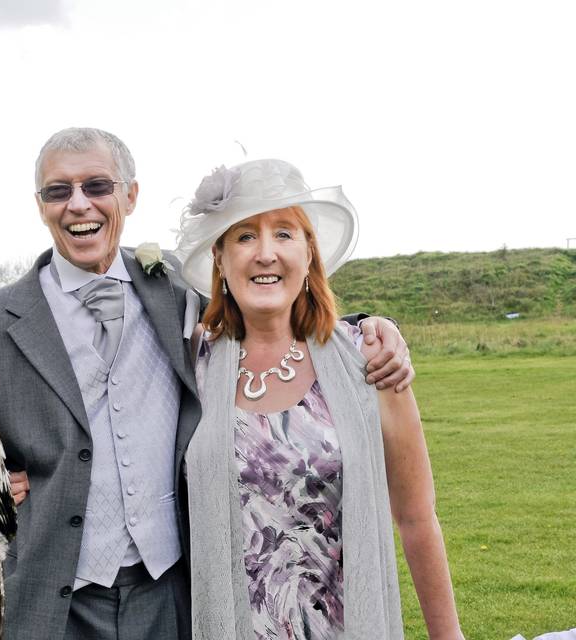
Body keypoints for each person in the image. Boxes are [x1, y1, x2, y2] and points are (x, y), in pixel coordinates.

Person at [0, 129, 413, 640]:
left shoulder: (175, 288)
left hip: (169, 595)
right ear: (40, 205)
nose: (78, 204)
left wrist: (367, 327)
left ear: (130, 195)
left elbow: (270, 297)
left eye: (97, 185)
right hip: (53, 603)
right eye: (58, 191)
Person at [175, 159, 462, 639]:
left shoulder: (369, 361)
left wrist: (448, 637)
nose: (265, 252)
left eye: (284, 233)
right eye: (245, 236)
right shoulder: (188, 364)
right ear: (220, 259)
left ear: (309, 254)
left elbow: (415, 517)